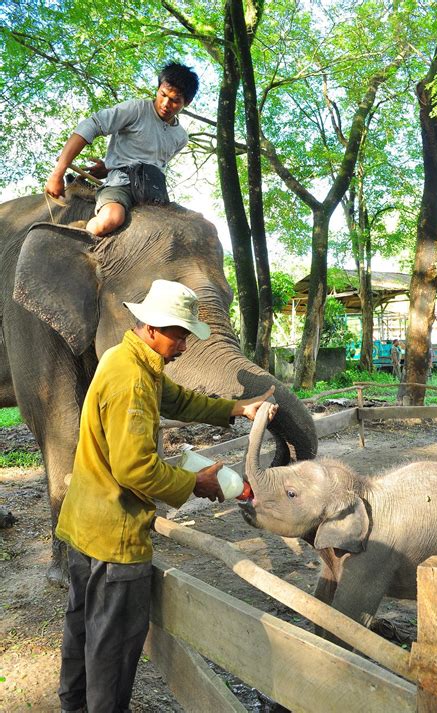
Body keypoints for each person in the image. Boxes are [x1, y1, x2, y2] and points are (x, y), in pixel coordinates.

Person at [55, 279, 278, 713]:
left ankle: (74, 707)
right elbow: (134, 468)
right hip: (114, 539)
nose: (186, 345)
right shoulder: (132, 380)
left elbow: (177, 399)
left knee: (82, 631)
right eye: (180, 334)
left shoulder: (129, 359)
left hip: (86, 527)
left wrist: (236, 408)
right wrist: (198, 483)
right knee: (113, 650)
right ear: (153, 327)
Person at [45, 63, 198, 237]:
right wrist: (58, 173)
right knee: (111, 219)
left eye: (175, 100)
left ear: (188, 102)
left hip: (155, 195)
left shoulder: (181, 138)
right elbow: (91, 125)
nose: (165, 103)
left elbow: (151, 164)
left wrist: (107, 167)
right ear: (158, 88)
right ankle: (78, 234)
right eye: (162, 94)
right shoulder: (135, 109)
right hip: (121, 185)